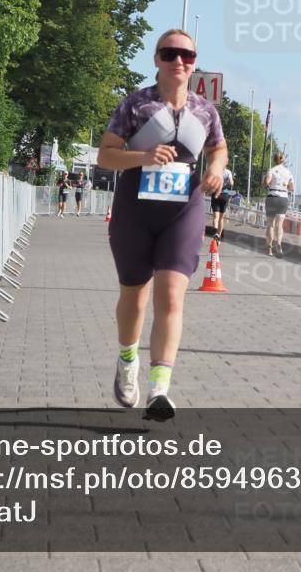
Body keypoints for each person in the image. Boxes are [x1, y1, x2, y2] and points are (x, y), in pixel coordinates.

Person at [97, 29, 227, 421]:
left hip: (182, 210)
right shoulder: (136, 105)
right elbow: (106, 155)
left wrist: (216, 170)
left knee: (171, 296)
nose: (179, 61)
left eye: (187, 55)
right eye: (170, 54)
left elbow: (217, 147)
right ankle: (126, 362)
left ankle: (159, 389)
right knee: (134, 298)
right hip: (135, 209)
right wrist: (143, 156)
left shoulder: (205, 110)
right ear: (157, 59)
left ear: (194, 62)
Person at [263, 153, 295, 257]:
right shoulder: (288, 173)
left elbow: (266, 182)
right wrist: (285, 186)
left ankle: (269, 249)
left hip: (272, 197)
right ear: (283, 161)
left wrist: (265, 182)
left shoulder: (271, 170)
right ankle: (279, 244)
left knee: (270, 224)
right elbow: (292, 188)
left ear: (274, 160)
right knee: (279, 224)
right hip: (283, 199)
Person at [210, 166, 235, 239]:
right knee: (221, 218)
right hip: (224, 195)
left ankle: (214, 235)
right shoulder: (228, 172)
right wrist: (225, 186)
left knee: (215, 218)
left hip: (216, 194)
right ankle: (218, 236)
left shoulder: (215, 170)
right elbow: (231, 183)